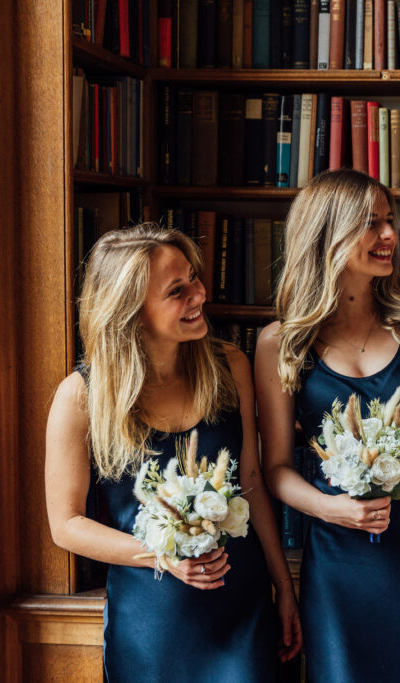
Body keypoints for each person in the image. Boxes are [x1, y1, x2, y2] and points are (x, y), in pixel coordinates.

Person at [45, 225, 301, 682]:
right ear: (132, 311)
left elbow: (253, 482)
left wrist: (283, 587)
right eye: (177, 290)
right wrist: (159, 555)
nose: (199, 295)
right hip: (152, 621)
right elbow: (66, 525)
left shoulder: (230, 367)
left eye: (195, 279)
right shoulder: (81, 397)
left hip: (241, 607)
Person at [254, 169, 400, 683]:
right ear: (327, 231)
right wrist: (333, 509)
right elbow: (275, 467)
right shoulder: (280, 344)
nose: (390, 235)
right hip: (342, 565)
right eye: (371, 223)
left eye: (390, 221)